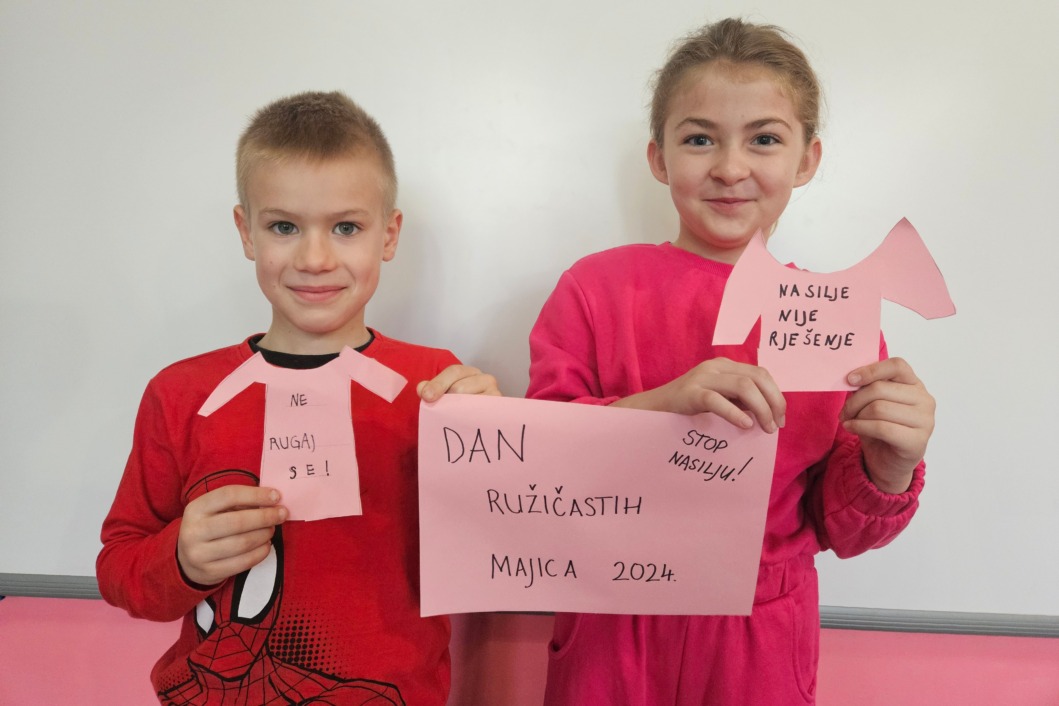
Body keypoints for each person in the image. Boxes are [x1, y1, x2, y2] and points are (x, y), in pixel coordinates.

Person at [527, 18, 935, 705]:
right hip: (612, 617)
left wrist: (889, 466)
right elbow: (535, 464)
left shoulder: (835, 320)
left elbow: (840, 527)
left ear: (806, 160)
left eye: (764, 139)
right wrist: (660, 406)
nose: (729, 168)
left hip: (760, 634)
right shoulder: (594, 289)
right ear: (658, 157)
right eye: (699, 139)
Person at [96, 90, 499, 706]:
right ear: (246, 232)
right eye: (284, 227)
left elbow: (488, 548)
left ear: (389, 235)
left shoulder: (437, 386)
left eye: (346, 227)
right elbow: (119, 565)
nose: (314, 259)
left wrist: (498, 447)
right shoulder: (180, 394)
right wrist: (180, 559)